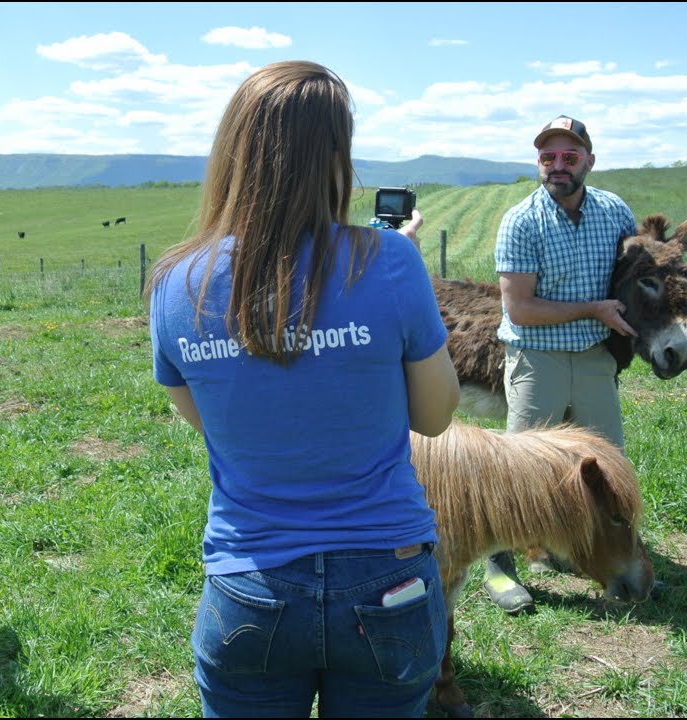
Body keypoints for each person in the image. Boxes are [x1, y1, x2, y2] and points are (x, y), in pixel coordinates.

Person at [146, 61, 461, 718]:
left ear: (232, 153)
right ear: (335, 157)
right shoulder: (393, 262)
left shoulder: (176, 285)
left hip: (249, 587)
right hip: (388, 579)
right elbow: (435, 417)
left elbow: (217, 426)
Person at [481, 115, 639, 615]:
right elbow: (521, 309)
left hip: (593, 357)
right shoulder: (521, 221)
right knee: (518, 469)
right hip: (537, 355)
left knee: (606, 467)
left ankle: (592, 550)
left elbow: (633, 278)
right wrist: (594, 309)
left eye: (569, 157)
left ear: (589, 161)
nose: (557, 166)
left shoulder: (614, 212)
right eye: (548, 157)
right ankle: (498, 566)